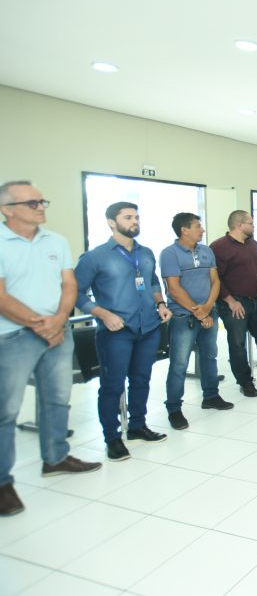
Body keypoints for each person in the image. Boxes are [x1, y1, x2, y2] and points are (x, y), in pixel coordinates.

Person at [0, 181, 101, 516]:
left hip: (57, 332)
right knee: (6, 411)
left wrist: (58, 320)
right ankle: (2, 483)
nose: (40, 206)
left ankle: (55, 457)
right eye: (32, 203)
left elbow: (69, 285)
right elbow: (1, 295)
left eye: (42, 201)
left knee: (57, 398)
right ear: (7, 209)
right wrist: (40, 324)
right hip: (12, 336)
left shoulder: (55, 240)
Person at [75, 201, 173, 462]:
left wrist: (160, 304)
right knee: (112, 385)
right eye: (128, 217)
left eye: (136, 217)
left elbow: (152, 281)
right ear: (111, 222)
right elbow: (75, 292)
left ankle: (138, 426)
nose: (134, 221)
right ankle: (112, 438)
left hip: (148, 327)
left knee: (141, 379)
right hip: (116, 331)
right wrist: (103, 314)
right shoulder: (95, 257)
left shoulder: (146, 253)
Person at [159, 213, 233, 431]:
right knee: (179, 363)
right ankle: (174, 408)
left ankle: (211, 396)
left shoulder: (206, 251)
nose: (202, 230)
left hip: (208, 312)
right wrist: (200, 313)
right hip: (183, 317)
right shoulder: (169, 254)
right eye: (198, 226)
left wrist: (208, 307)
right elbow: (174, 289)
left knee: (209, 356)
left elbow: (215, 281)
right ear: (184, 230)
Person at [210, 211, 257, 397]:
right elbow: (215, 279)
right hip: (234, 303)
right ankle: (245, 381)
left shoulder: (253, 244)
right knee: (238, 344)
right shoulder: (219, 247)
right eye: (250, 223)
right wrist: (230, 300)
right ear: (239, 225)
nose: (254, 226)